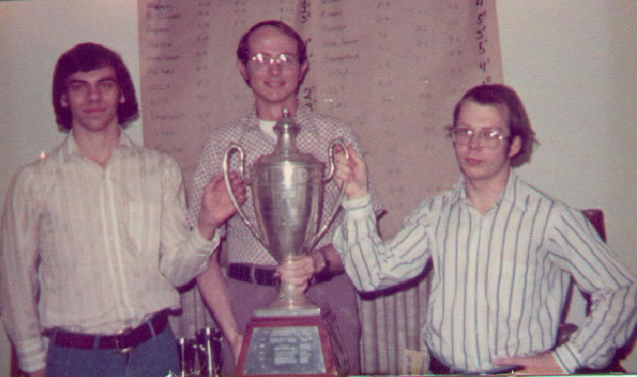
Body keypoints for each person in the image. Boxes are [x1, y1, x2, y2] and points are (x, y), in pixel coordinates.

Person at [333, 84, 637, 374]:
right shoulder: (434, 213)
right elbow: (372, 276)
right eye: (464, 132)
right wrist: (358, 197)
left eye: (490, 134)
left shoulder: (551, 219)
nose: (474, 144)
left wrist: (566, 359)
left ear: (514, 145)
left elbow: (621, 291)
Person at [0, 42, 245, 377]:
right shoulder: (33, 182)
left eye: (106, 84)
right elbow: (15, 286)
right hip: (75, 360)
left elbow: (177, 272)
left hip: (155, 352)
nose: (94, 97)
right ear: (63, 98)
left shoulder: (160, 169)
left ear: (122, 94)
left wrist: (205, 225)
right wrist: (34, 365)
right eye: (79, 87)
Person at [186, 20, 383, 375]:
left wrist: (320, 260)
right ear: (243, 69)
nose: (274, 69)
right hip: (248, 302)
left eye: (286, 59)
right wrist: (233, 334)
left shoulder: (336, 136)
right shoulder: (223, 146)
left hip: (328, 296)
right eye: (261, 58)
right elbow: (200, 249)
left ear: (303, 67)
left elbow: (365, 236)